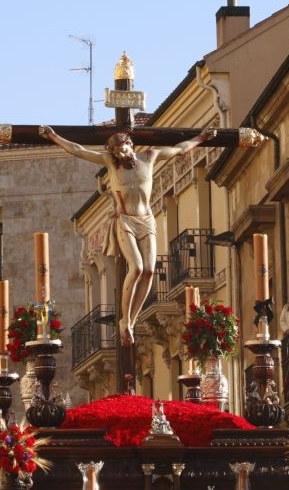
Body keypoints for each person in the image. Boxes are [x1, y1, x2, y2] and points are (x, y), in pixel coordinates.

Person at [38, 125, 216, 346]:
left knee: (150, 271)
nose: (121, 154)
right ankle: (125, 322)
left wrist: (201, 137)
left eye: (123, 149)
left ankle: (131, 320)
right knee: (137, 268)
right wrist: (54, 137)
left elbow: (180, 149)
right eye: (117, 151)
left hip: (147, 220)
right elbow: (78, 150)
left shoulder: (150, 157)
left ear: (130, 145)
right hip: (125, 221)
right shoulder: (111, 163)